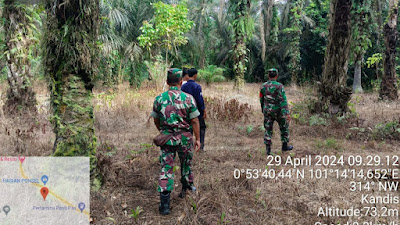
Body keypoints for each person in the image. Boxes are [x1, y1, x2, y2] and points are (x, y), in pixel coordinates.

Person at [151, 68, 201, 215]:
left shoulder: (159, 99)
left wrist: (163, 130)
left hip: (167, 139)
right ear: (181, 82)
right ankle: (187, 190)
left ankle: (165, 205)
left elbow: (156, 119)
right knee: (186, 165)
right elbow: (194, 121)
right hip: (185, 138)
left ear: (167, 82)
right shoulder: (188, 98)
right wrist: (197, 139)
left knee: (166, 168)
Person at [260, 68, 293, 155]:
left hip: (268, 111)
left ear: (268, 76)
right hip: (278, 111)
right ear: (276, 76)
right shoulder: (279, 86)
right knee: (284, 127)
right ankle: (285, 146)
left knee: (268, 129)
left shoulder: (263, 86)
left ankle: (268, 149)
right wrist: (286, 113)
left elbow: (261, 99)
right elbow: (283, 100)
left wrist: (263, 109)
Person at [181, 68, 207, 151]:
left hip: (185, 111)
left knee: (188, 129)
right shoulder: (197, 86)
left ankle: (189, 147)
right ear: (195, 75)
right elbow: (200, 100)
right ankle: (200, 146)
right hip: (197, 111)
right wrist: (203, 110)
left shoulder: (183, 86)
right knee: (201, 128)